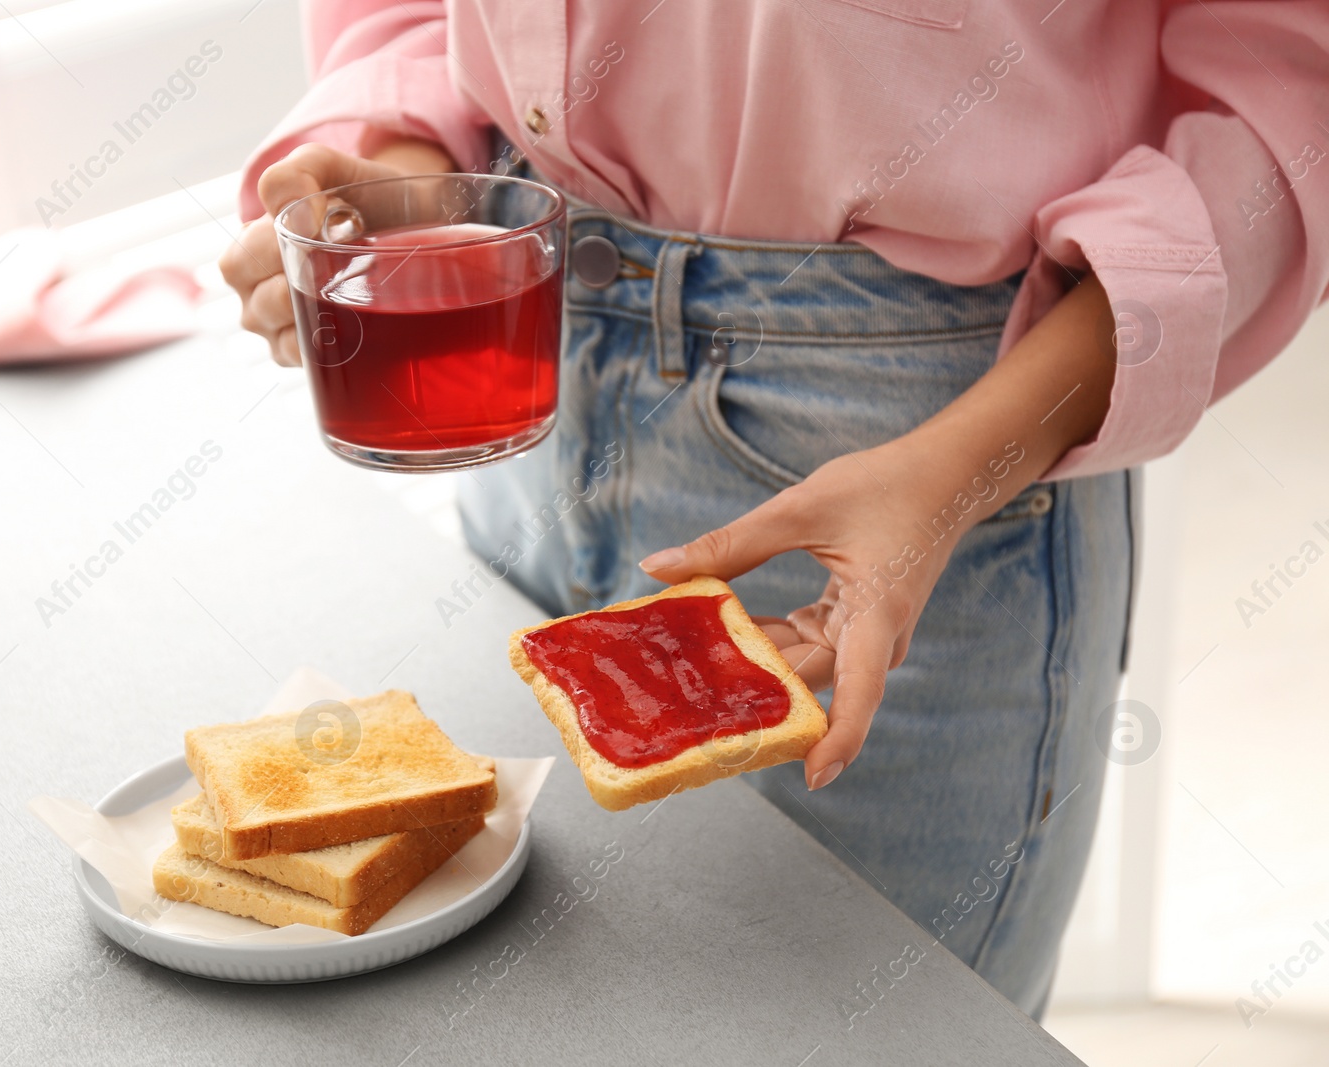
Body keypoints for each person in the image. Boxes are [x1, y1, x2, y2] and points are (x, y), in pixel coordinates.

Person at [219, 1, 1329, 1016]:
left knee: (868, 1031)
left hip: (916, 437)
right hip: (529, 366)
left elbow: (1290, 93)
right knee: (545, 1017)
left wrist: (955, 472)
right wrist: (413, 191)